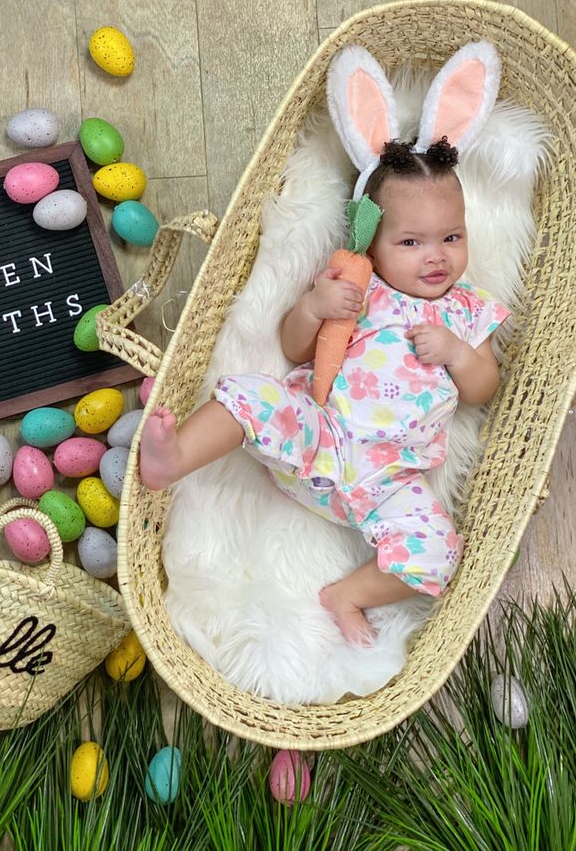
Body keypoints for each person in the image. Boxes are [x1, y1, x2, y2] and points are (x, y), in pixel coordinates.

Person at [138, 137, 510, 644]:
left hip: (392, 480)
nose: (435, 257)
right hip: (320, 438)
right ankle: (176, 455)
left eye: (451, 237)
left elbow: (483, 387)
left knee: (440, 554)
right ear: (373, 243)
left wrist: (457, 353)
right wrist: (316, 307)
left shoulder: (468, 310)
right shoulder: (363, 290)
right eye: (410, 242)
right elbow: (295, 349)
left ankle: (347, 594)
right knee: (254, 397)